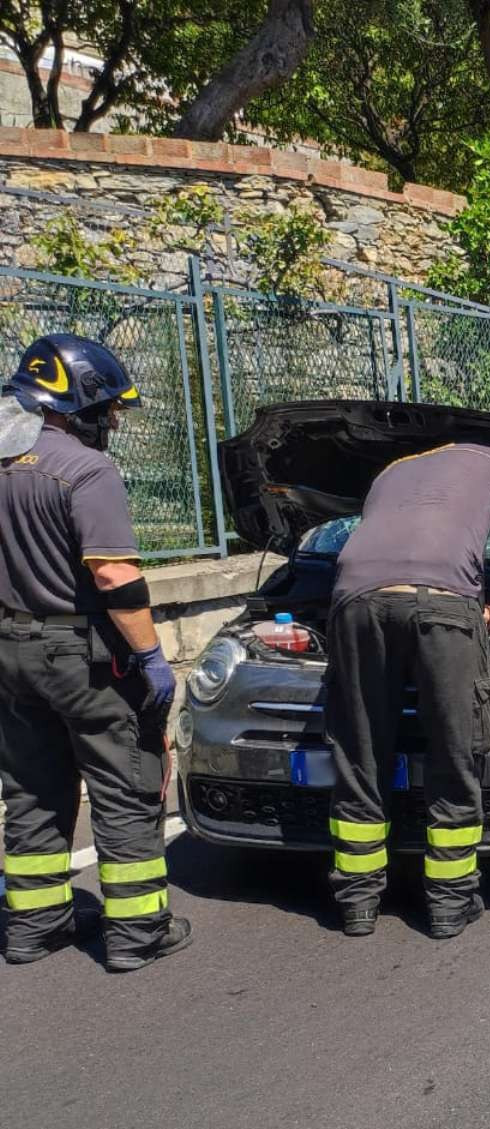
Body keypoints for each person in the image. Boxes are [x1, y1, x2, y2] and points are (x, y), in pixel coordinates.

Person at [0, 334, 190, 972]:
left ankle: (33, 926)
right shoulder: (87, 470)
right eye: (106, 409)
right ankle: (137, 933)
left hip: (11, 650)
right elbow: (114, 576)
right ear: (74, 404)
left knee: (30, 788)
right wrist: (151, 657)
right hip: (83, 654)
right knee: (124, 787)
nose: (111, 422)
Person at [325, 440, 490, 939]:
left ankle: (357, 903)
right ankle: (449, 902)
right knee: (455, 748)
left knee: (360, 751)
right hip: (444, 602)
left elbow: (394, 547)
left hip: (355, 600)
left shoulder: (391, 469)